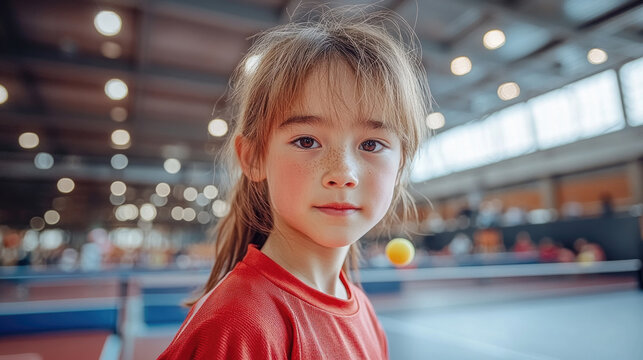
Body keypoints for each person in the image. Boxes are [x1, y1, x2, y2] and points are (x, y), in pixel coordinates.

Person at [158, 6, 431, 360]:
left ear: (400, 167)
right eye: (306, 141)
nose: (343, 173)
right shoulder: (237, 328)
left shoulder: (366, 314)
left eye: (371, 145)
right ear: (254, 157)